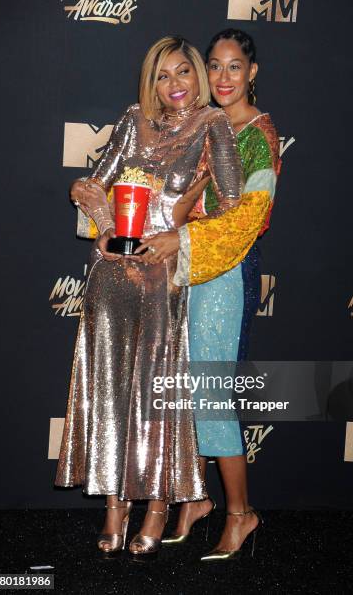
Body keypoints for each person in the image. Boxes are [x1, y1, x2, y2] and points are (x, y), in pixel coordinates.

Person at [55, 35, 254, 557]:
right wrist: (104, 226)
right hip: (114, 274)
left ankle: (158, 504)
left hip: (164, 276)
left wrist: (181, 215)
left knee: (157, 395)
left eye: (184, 73)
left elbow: (232, 205)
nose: (175, 85)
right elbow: (89, 184)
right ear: (152, 83)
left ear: (199, 77)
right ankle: (115, 508)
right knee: (114, 392)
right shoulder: (131, 121)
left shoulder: (212, 126)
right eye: (163, 76)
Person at [158, 29, 281, 561]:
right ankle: (197, 499)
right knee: (186, 391)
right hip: (186, 271)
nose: (223, 77)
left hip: (225, 271)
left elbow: (249, 220)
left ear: (251, 72)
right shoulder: (203, 127)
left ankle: (241, 514)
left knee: (210, 397)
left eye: (235, 67)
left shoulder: (258, 134)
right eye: (214, 66)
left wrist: (180, 236)